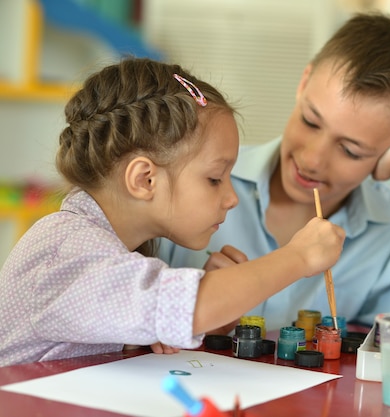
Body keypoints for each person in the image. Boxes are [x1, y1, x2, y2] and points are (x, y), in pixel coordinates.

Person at [160, 13, 390, 349]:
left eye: (350, 150)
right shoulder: (191, 177)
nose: (312, 158)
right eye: (311, 121)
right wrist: (192, 298)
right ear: (303, 83)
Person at [0, 58, 345, 367]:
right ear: (145, 179)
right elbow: (195, 306)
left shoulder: (109, 248)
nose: (231, 198)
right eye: (214, 179)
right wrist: (299, 257)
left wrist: (164, 323)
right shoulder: (66, 250)